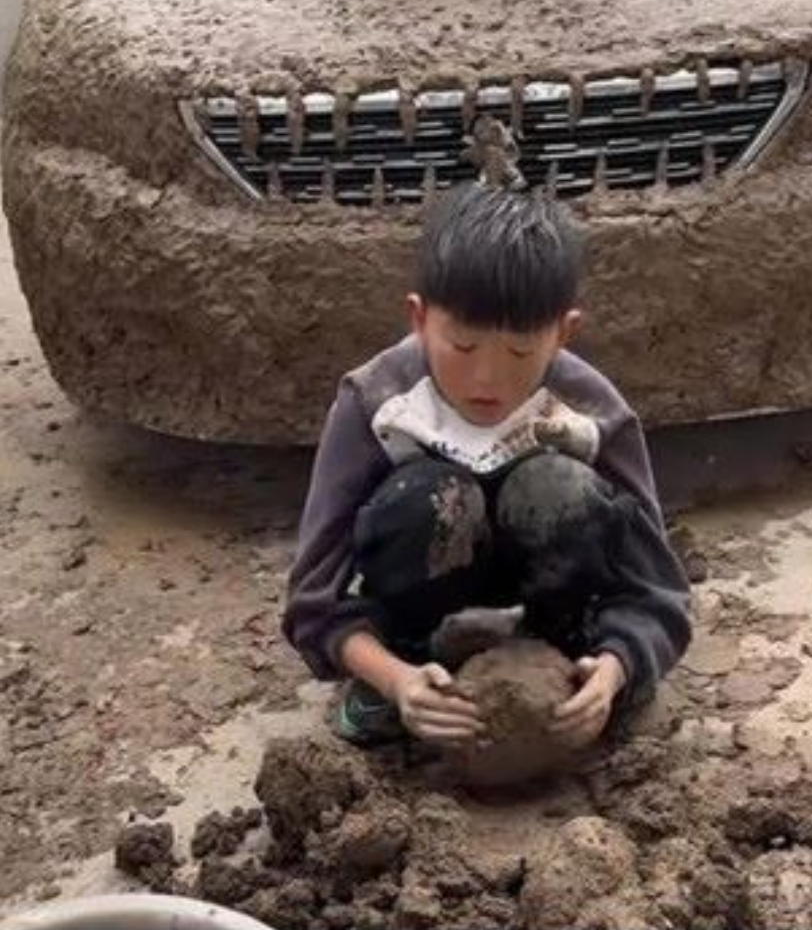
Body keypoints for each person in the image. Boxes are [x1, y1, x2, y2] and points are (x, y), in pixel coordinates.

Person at [284, 180, 691, 750]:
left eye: (521, 352)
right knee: (431, 497)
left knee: (559, 487)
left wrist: (618, 664)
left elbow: (660, 590)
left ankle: (571, 655)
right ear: (419, 319)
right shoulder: (376, 402)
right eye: (463, 346)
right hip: (425, 576)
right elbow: (312, 600)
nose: (487, 381)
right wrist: (393, 678)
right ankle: (409, 658)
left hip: (550, 575)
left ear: (564, 332)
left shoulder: (592, 411)